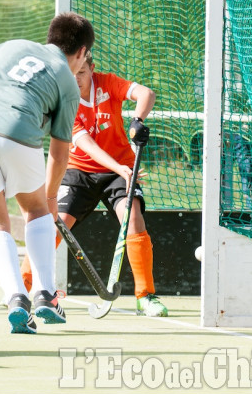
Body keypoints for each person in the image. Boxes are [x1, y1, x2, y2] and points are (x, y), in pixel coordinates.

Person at [0, 12, 95, 334]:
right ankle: (45, 294)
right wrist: (50, 196)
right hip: (18, 133)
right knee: (36, 210)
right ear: (82, 52)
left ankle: (16, 298)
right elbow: (60, 153)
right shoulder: (68, 82)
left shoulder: (11, 45)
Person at [20, 53, 168, 317]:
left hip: (119, 170)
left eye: (82, 73)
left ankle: (145, 296)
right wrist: (119, 168)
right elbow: (86, 143)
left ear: (92, 69)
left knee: (132, 218)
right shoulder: (64, 99)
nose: (76, 79)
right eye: (71, 73)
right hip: (81, 171)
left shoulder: (108, 83)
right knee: (56, 222)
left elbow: (147, 93)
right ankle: (22, 287)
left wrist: (138, 119)